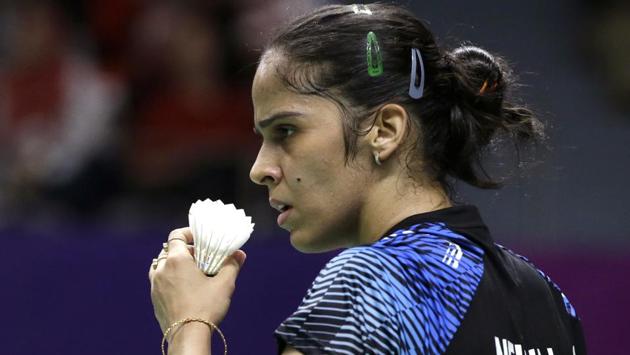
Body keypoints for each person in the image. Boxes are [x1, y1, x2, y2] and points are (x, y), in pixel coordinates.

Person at [148, 4, 587, 354]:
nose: (260, 168)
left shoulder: (374, 281)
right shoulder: (550, 302)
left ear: (385, 131)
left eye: (286, 131)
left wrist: (188, 324)